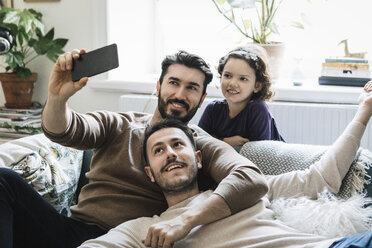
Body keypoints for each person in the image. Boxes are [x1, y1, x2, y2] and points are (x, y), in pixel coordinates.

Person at [0, 49, 268, 248]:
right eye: (174, 83)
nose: (180, 94)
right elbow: (63, 129)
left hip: (130, 241)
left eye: (192, 88)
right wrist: (58, 98)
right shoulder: (119, 124)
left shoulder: (196, 145)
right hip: (70, 231)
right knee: (4, 180)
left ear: (202, 98)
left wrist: (184, 221)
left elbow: (251, 178)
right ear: (158, 86)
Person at [80, 81, 372, 247]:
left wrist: (363, 112)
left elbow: (322, 177)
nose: (170, 153)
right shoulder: (148, 228)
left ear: (197, 158)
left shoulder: (243, 191)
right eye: (158, 150)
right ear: (150, 174)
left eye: (178, 144)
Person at [198, 45, 284, 149]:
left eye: (243, 79)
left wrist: (214, 141)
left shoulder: (258, 109)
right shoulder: (213, 109)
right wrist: (224, 142)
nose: (233, 83)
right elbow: (198, 143)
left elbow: (260, 153)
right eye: (227, 76)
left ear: (257, 86)